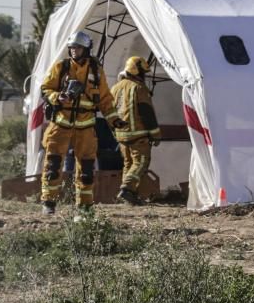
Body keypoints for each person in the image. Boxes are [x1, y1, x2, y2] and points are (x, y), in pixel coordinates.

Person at [39, 30, 125, 215]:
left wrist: (114, 119)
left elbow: (105, 99)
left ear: (86, 49)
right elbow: (45, 88)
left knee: (86, 169)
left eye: (77, 48)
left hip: (86, 126)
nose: (73, 51)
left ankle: (84, 206)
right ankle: (48, 202)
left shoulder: (96, 71)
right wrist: (57, 97)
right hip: (60, 124)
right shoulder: (61, 67)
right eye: (71, 48)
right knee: (53, 165)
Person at [110, 56, 163, 205]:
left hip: (121, 135)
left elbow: (110, 112)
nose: (144, 76)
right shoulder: (138, 88)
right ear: (137, 72)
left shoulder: (115, 87)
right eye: (143, 73)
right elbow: (147, 113)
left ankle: (129, 197)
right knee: (141, 162)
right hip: (138, 134)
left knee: (128, 163)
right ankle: (127, 189)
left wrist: (115, 132)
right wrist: (155, 134)